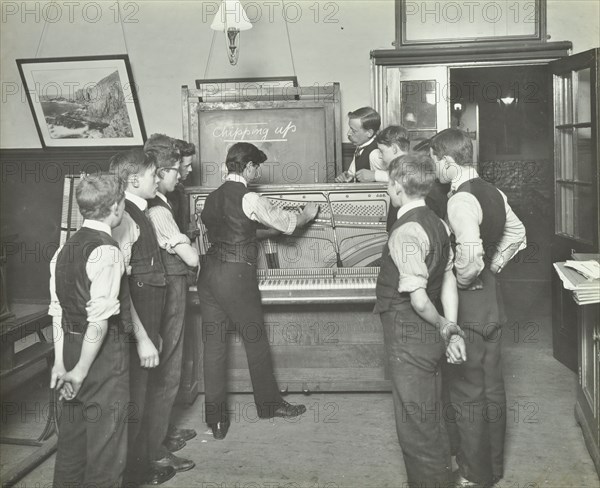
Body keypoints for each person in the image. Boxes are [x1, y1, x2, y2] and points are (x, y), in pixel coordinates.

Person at [197, 142, 318, 439]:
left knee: (213, 347)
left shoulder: (209, 198)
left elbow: (235, 230)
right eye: (256, 167)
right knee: (256, 341)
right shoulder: (249, 197)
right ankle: (269, 405)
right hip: (236, 274)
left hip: (209, 272)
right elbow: (288, 224)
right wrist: (307, 213)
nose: (256, 173)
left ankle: (217, 421)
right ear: (249, 167)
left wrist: (266, 228)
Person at [430, 128, 526, 487]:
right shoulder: (493, 191)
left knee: (467, 392)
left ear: (448, 162)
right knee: (492, 388)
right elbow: (518, 233)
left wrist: (469, 278)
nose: (435, 169)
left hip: (468, 306)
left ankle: (474, 474)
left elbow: (469, 255)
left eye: (435, 163)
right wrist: (494, 268)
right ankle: (494, 468)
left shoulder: (460, 200)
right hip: (492, 306)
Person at [374, 151, 466, 488]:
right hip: (429, 337)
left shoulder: (406, 231)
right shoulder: (439, 223)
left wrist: (443, 325)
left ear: (397, 186)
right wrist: (451, 328)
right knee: (430, 413)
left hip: (409, 334)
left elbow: (418, 298)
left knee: (416, 427)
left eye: (388, 183)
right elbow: (450, 280)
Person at [49, 174, 130, 487]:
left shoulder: (63, 250)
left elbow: (57, 309)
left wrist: (61, 364)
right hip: (101, 358)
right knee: (106, 452)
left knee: (71, 446)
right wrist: (81, 370)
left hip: (68, 347)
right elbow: (99, 321)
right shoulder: (108, 252)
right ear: (114, 209)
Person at [110, 148, 175, 486]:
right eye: (153, 174)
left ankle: (140, 463)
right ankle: (134, 472)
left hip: (148, 320)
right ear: (133, 180)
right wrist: (143, 336)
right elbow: (120, 285)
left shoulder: (141, 212)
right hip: (136, 325)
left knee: (143, 392)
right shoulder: (126, 219)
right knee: (134, 396)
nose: (158, 179)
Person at [142, 134, 199, 472]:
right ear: (159, 172)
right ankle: (154, 449)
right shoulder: (157, 208)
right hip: (170, 290)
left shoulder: (162, 201)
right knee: (168, 368)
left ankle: (159, 434)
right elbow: (190, 259)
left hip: (170, 288)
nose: (182, 175)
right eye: (177, 170)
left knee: (170, 365)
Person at [335, 107, 384, 183]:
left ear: (369, 133)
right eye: (349, 128)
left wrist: (375, 176)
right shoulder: (360, 147)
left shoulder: (375, 154)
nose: (348, 133)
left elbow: (394, 179)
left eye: (353, 131)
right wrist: (347, 177)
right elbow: (352, 173)